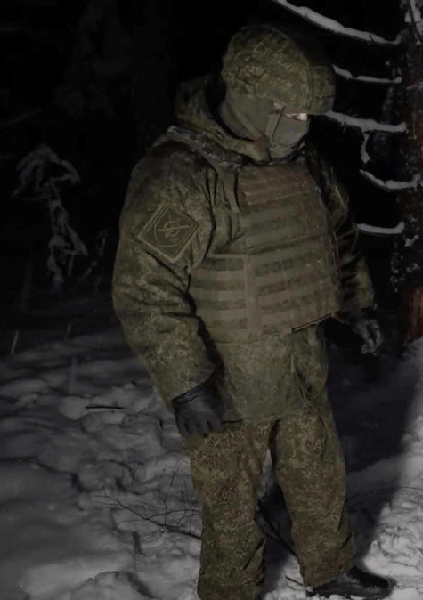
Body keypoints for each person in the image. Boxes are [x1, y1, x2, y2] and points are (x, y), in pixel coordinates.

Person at [111, 22, 393, 600]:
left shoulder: (303, 163)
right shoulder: (184, 175)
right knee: (230, 504)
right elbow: (145, 288)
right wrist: (186, 384)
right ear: (251, 100)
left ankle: (330, 569)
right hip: (227, 374)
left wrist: (355, 307)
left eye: (308, 116)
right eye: (289, 113)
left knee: (318, 475)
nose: (302, 126)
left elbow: (335, 235)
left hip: (300, 358)